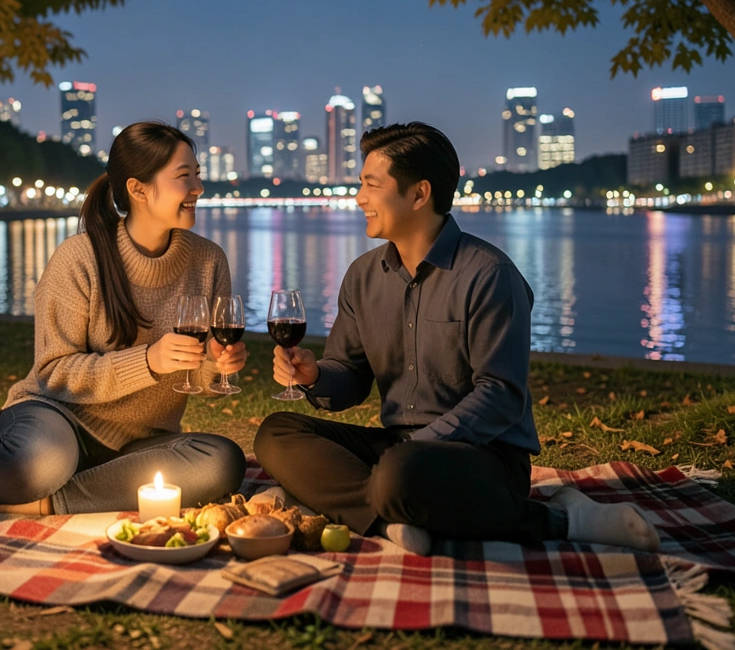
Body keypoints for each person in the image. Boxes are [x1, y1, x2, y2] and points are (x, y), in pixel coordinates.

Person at [254, 122, 659, 555]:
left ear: (418, 194)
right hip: (401, 449)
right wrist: (315, 376)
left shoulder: (489, 275)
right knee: (277, 433)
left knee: (399, 473)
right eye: (360, 184)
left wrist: (419, 445)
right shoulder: (363, 277)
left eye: (371, 185)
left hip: (483, 454)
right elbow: (349, 376)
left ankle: (560, 517)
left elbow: (501, 396)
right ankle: (392, 521)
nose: (359, 198)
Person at [0, 122, 248, 514]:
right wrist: (147, 361)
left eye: (197, 175)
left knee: (221, 460)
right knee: (37, 464)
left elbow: (195, 380)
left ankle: (40, 504)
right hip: (56, 419)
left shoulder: (209, 261)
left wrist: (217, 363)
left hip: (137, 442)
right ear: (138, 188)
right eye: (185, 177)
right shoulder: (80, 258)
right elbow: (54, 372)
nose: (198, 188)